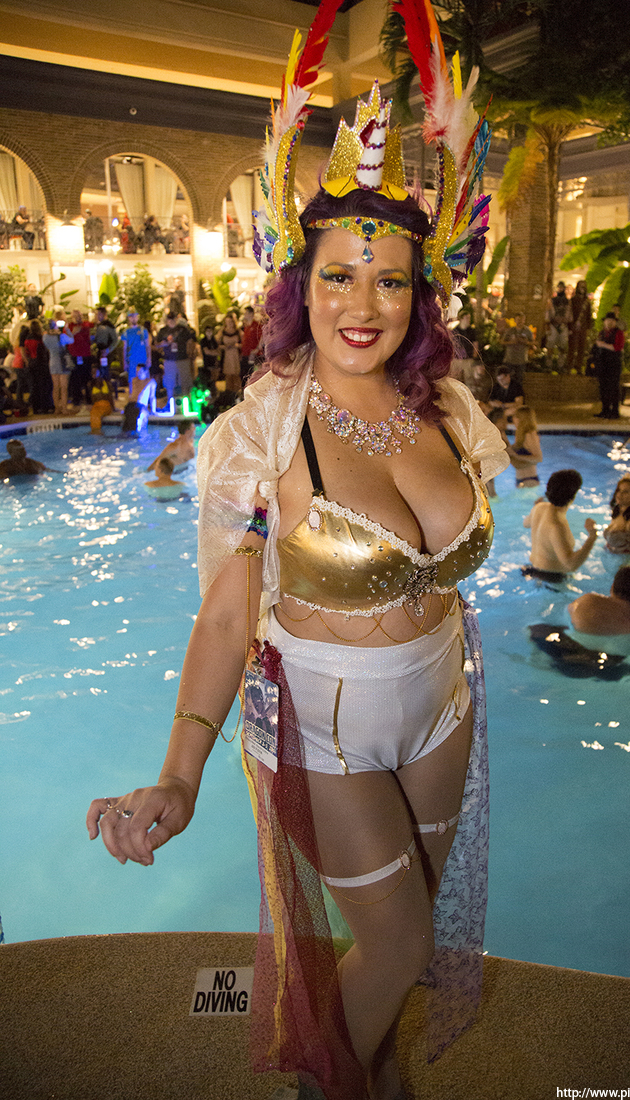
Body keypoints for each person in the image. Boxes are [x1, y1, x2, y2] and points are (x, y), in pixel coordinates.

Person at [86, 19, 507, 1099]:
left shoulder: (448, 410)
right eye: (339, 276)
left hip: (442, 704)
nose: (363, 305)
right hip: (324, 722)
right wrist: (179, 774)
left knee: (402, 927)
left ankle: (375, 1069)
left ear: (421, 293)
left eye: (390, 282)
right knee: (400, 942)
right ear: (299, 282)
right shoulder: (260, 434)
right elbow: (229, 617)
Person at [529, 566, 630, 682]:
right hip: (609, 668)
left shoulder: (587, 601)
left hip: (567, 656)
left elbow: (564, 619)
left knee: (535, 628)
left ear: (612, 588)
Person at [523, 468, 597, 582]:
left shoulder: (539, 507)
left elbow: (526, 524)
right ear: (573, 495)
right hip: (552, 580)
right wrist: (592, 537)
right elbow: (571, 565)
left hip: (530, 569)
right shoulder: (557, 525)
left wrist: (535, 508)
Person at [593, 312, 625, 419]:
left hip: (614, 363)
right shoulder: (602, 333)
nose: (609, 322)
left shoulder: (619, 333)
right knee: (603, 387)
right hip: (603, 363)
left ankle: (614, 411)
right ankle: (605, 409)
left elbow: (617, 347)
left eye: (612, 321)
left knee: (613, 387)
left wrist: (603, 345)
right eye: (608, 321)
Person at [156, 311, 195, 397]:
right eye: (169, 319)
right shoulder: (163, 331)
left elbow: (190, 342)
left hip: (183, 359)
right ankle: (170, 400)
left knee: (184, 382)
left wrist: (191, 354)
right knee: (170, 382)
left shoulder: (183, 330)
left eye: (173, 319)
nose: (171, 321)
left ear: (176, 319)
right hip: (169, 360)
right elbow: (157, 344)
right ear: (167, 320)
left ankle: (186, 400)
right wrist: (164, 344)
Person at [43, 317, 74, 415]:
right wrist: (67, 329)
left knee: (55, 387)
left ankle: (57, 408)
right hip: (62, 362)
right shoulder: (62, 336)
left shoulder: (45, 337)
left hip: (52, 362)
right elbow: (72, 340)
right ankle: (64, 408)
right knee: (64, 387)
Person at [506, 405, 542, 487]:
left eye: (515, 416)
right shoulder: (520, 435)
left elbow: (538, 458)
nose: (513, 419)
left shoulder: (529, 435)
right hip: (521, 480)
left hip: (529, 480)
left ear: (521, 419)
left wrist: (517, 456)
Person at [67, 309, 94, 408]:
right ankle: (76, 399)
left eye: (79, 316)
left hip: (86, 355)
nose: (77, 318)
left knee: (87, 377)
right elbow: (66, 338)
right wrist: (74, 332)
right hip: (74, 355)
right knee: (75, 378)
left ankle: (89, 398)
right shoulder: (69, 326)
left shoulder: (86, 324)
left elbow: (94, 325)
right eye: (75, 316)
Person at [500, 311, 533, 384]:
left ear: (524, 320)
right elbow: (502, 342)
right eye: (518, 320)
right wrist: (512, 342)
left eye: (521, 320)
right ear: (515, 320)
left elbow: (533, 343)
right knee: (508, 380)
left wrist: (525, 342)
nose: (520, 321)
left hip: (521, 360)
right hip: (510, 359)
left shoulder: (527, 331)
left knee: (519, 380)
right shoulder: (510, 331)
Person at [567, 281, 592, 373]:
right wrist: (570, 327)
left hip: (583, 327)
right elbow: (570, 314)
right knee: (572, 347)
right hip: (574, 327)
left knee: (581, 347)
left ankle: (579, 367)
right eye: (581, 286)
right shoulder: (573, 300)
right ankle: (569, 366)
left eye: (584, 287)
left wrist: (588, 328)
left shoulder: (587, 301)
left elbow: (589, 315)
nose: (582, 288)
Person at [120, 310, 152, 381]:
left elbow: (148, 346)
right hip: (132, 362)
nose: (133, 318)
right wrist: (124, 362)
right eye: (131, 317)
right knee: (133, 382)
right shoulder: (126, 332)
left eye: (135, 316)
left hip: (143, 360)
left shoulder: (143, 330)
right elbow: (124, 348)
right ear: (128, 318)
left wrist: (149, 359)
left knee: (144, 382)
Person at [217, 312, 242, 394]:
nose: (229, 324)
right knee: (228, 375)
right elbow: (217, 344)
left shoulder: (238, 332)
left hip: (235, 356)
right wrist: (225, 347)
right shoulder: (222, 332)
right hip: (227, 356)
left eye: (230, 322)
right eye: (227, 322)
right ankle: (229, 393)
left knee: (236, 375)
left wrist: (236, 345)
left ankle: (237, 392)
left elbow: (244, 344)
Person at [93, 307, 119, 381]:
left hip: (106, 352)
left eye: (98, 314)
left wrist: (108, 350)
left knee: (105, 372)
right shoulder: (98, 326)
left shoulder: (109, 326)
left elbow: (115, 340)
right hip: (100, 351)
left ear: (103, 314)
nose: (97, 316)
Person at [239, 305, 263, 383]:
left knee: (251, 375)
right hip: (245, 353)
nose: (244, 315)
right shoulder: (247, 326)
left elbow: (262, 338)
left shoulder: (256, 325)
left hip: (252, 355)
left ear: (251, 313)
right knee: (244, 375)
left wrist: (257, 349)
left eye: (246, 313)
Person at [89, 363, 115, 434]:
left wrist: (113, 408)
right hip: (96, 405)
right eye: (92, 372)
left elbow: (110, 397)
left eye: (95, 371)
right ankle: (96, 430)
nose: (94, 373)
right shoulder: (90, 384)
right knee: (94, 412)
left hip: (106, 405)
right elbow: (91, 399)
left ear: (100, 372)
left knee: (96, 413)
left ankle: (96, 430)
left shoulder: (107, 383)